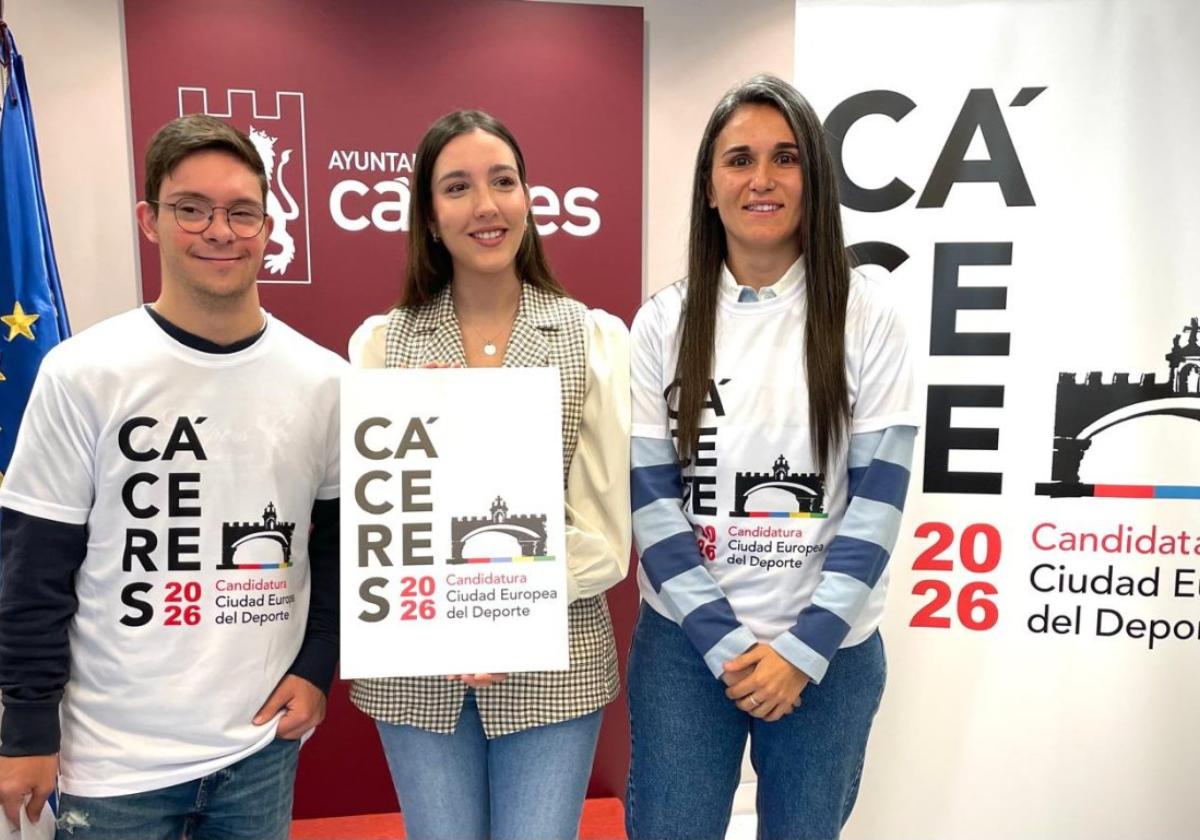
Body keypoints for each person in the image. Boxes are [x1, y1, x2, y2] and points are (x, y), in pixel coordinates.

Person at [0, 114, 342, 839]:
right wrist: (26, 725)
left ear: (268, 224)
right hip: (113, 763)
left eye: (242, 211)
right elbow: (32, 568)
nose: (220, 230)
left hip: (258, 749)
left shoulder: (324, 380)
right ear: (150, 220)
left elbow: (340, 548)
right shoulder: (82, 373)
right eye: (192, 207)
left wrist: (317, 667)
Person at [626, 75, 919, 840]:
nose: (762, 179)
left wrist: (801, 650)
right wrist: (728, 645)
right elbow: (653, 500)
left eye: (786, 158)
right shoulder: (663, 321)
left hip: (830, 652)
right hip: (686, 654)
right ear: (709, 184)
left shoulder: (868, 313)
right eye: (739, 160)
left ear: (813, 179)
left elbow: (879, 495)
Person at [347, 109, 631, 840]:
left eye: (503, 181)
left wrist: (504, 610)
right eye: (458, 187)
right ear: (429, 215)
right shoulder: (383, 344)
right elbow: (377, 523)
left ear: (528, 199)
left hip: (554, 664)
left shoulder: (591, 337)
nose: (485, 206)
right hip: (418, 671)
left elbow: (604, 533)